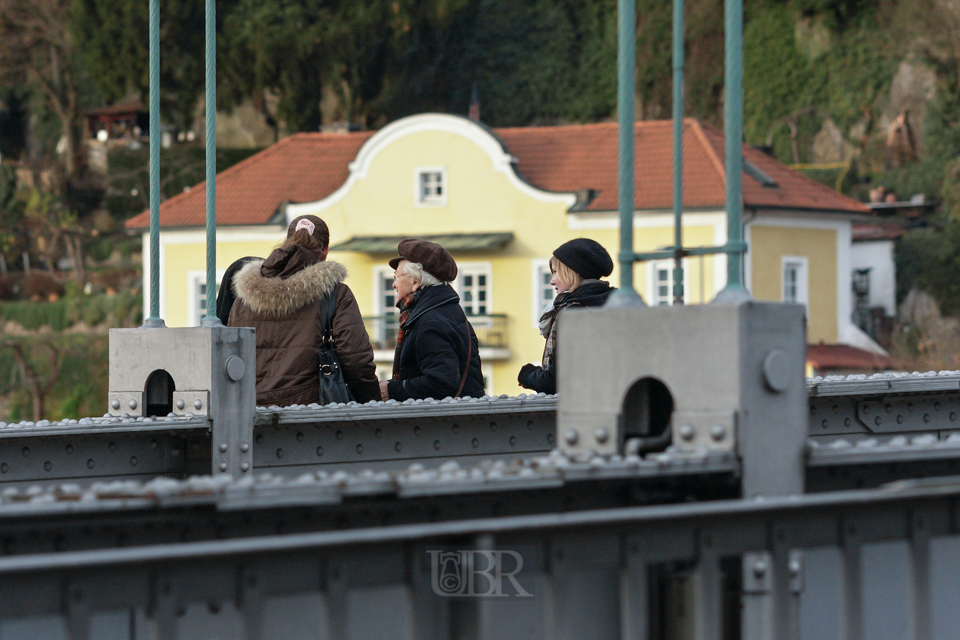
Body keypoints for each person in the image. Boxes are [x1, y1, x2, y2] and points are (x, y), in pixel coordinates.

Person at [227, 215, 380, 406]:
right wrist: (373, 402)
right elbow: (356, 360)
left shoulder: (244, 297)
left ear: (286, 242)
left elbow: (231, 359)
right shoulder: (335, 295)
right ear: (325, 251)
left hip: (251, 414)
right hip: (311, 417)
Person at [379, 239, 484, 401]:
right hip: (464, 418)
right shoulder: (445, 311)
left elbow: (441, 383)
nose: (393, 284)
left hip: (446, 423)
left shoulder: (430, 322)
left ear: (415, 281)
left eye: (397, 275)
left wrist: (392, 389)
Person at [518, 238, 616, 394]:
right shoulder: (616, 305)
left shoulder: (575, 312)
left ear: (573, 272)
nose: (552, 281)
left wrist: (528, 375)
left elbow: (557, 381)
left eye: (556, 272)